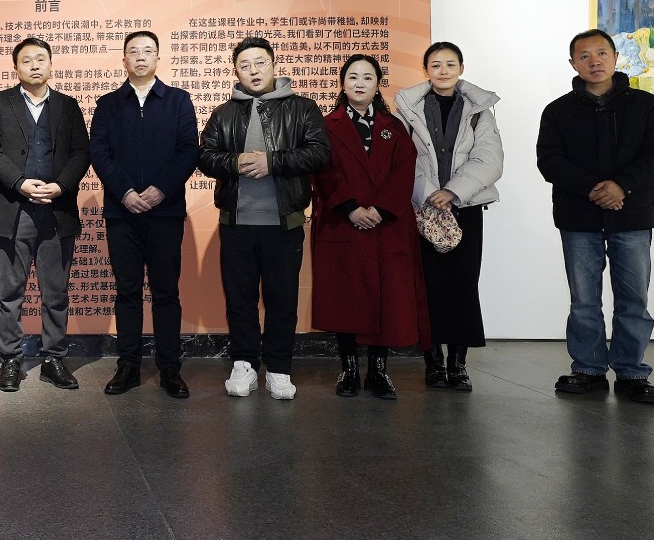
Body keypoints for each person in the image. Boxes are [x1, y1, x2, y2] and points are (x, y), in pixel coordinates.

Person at [536, 29, 654, 405]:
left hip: (631, 216)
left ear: (615, 57)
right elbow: (549, 161)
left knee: (633, 299)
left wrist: (621, 186)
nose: (594, 61)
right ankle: (589, 368)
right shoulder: (558, 111)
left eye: (601, 53)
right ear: (573, 64)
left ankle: (632, 372)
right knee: (583, 300)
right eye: (584, 56)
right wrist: (595, 189)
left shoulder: (646, 105)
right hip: (578, 217)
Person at [199, 36, 329, 401]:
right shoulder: (224, 113)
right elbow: (205, 156)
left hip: (284, 223)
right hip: (236, 223)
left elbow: (319, 153)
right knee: (239, 299)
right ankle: (244, 364)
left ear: (274, 65)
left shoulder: (303, 108)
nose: (253, 71)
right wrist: (234, 162)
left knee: (281, 300)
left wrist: (273, 162)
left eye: (260, 63)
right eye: (245, 65)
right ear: (236, 71)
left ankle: (278, 368)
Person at [311, 55, 431, 399]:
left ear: (378, 84)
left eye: (367, 77)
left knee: (386, 299)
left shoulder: (393, 127)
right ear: (343, 83)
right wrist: (350, 208)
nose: (360, 83)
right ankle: (349, 371)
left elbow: (404, 171)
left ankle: (379, 372)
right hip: (342, 225)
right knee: (345, 299)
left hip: (385, 226)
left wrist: (381, 209)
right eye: (353, 77)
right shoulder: (326, 125)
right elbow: (321, 171)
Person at [89, 31, 201, 398]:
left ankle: (170, 367)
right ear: (124, 59)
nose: (140, 57)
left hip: (165, 212)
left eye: (147, 51)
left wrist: (160, 190)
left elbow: (188, 150)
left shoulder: (179, 101)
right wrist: (125, 192)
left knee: (166, 291)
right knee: (127, 291)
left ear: (158, 58)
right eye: (133, 51)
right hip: (122, 213)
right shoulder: (108, 104)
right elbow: (99, 153)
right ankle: (128, 365)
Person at [0, 38, 91, 391]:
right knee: (9, 291)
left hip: (57, 212)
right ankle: (10, 359)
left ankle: (54, 358)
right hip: (13, 211)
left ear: (51, 65)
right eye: (26, 60)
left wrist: (61, 186)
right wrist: (20, 182)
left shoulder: (67, 106)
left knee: (56, 291)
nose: (34, 65)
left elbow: (81, 152)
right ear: (16, 68)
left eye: (41, 59)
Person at [393, 41, 503, 391]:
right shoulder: (408, 107)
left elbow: (489, 159)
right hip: (422, 208)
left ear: (461, 69)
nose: (443, 71)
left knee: (463, 287)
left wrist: (453, 191)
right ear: (425, 70)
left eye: (450, 64)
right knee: (427, 288)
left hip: (465, 208)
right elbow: (401, 158)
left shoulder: (480, 110)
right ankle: (433, 364)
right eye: (436, 65)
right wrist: (429, 193)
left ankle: (458, 364)